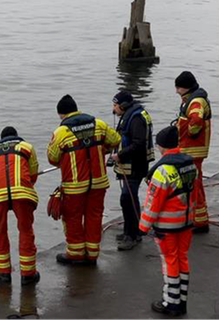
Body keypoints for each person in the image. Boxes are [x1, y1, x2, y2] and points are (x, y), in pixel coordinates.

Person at [47, 95, 120, 264]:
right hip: (99, 181)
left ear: (62, 114)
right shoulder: (99, 124)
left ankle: (76, 253)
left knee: (72, 218)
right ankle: (92, 254)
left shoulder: (61, 132)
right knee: (94, 216)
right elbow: (116, 139)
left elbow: (53, 158)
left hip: (74, 184)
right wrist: (102, 149)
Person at [139, 126, 197, 316]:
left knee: (170, 261)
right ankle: (182, 300)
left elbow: (153, 203)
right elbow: (195, 194)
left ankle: (171, 303)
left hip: (167, 226)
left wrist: (143, 226)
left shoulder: (163, 171)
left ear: (161, 147)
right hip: (186, 223)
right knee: (183, 258)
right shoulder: (190, 165)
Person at [0, 126, 40, 285]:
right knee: (26, 230)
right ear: (16, 136)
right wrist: (25, 187)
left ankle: (3, 273)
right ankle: (28, 275)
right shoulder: (27, 147)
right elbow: (33, 173)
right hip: (22, 193)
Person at [110, 90, 155, 250]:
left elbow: (138, 144)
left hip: (135, 166)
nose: (113, 109)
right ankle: (129, 231)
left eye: (115, 105)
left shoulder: (136, 118)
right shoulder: (133, 114)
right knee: (128, 199)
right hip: (131, 165)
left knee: (127, 199)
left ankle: (133, 235)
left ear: (123, 105)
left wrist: (119, 155)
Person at [174, 71, 212, 233]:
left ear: (185, 87)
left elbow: (196, 121)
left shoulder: (195, 101)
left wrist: (189, 131)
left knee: (194, 185)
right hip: (192, 149)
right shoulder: (193, 99)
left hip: (193, 150)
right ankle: (198, 219)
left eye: (178, 87)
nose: (176, 91)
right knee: (194, 184)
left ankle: (200, 222)